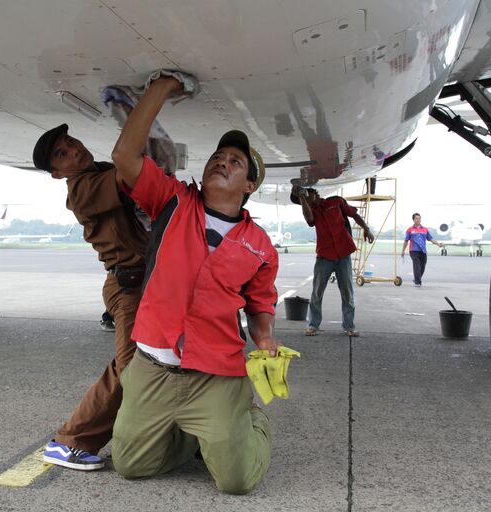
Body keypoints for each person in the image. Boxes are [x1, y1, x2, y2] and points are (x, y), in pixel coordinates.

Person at [110, 71, 281, 495]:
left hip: (216, 375)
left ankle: (247, 418)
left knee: (237, 481)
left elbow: (260, 306)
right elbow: (125, 154)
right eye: (218, 157)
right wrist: (161, 89)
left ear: (250, 186)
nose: (223, 161)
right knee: (130, 465)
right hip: (153, 368)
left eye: (235, 162)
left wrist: (264, 339)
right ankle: (193, 434)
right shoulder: (172, 202)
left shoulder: (260, 247)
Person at [32, 124, 149, 470]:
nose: (73, 150)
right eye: (62, 154)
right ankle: (69, 441)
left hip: (145, 284)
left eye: (70, 142)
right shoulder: (83, 188)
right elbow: (129, 175)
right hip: (127, 289)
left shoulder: (99, 173)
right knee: (130, 370)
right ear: (57, 173)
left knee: (156, 360)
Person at [291, 186, 374, 337]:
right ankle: (313, 325)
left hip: (343, 255)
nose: (306, 201)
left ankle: (349, 326)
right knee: (317, 293)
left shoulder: (336, 202)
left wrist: (366, 228)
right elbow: (309, 220)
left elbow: (354, 214)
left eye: (307, 196)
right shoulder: (312, 212)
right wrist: (302, 198)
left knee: (347, 293)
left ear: (315, 193)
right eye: (303, 200)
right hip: (324, 256)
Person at [401, 213, 443, 287]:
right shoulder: (410, 230)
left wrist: (438, 244)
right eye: (416, 218)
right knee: (417, 265)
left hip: (423, 251)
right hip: (413, 250)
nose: (418, 220)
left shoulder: (425, 229)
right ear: (413, 220)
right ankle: (418, 282)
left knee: (422, 266)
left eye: (419, 218)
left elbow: (431, 239)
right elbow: (406, 241)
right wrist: (403, 251)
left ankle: (417, 278)